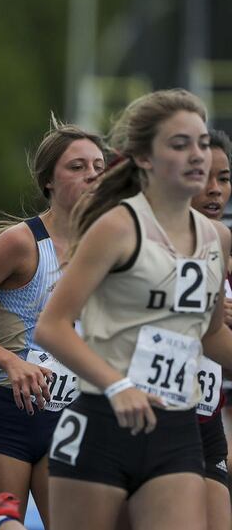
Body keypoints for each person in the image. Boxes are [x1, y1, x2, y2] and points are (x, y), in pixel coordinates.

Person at [36, 89, 232, 530]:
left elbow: (212, 334)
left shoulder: (216, 239)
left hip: (177, 428)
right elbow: (52, 327)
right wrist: (117, 384)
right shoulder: (118, 227)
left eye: (202, 143)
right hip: (104, 424)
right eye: (179, 144)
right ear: (144, 158)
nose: (197, 156)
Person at [0, 122, 105, 525]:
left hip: (71, 417)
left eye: (99, 166)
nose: (92, 175)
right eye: (77, 166)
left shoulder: (112, 247)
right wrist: (10, 362)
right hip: (1, 417)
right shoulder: (21, 243)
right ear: (48, 181)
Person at [189, 128, 232, 530]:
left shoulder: (224, 245)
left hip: (206, 420)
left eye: (225, 178)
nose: (215, 191)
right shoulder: (133, 242)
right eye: (205, 178)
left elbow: (216, 343)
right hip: (145, 422)